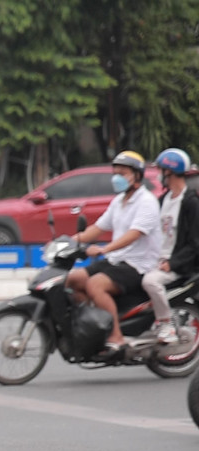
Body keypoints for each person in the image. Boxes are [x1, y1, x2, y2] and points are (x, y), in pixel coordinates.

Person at [67, 150, 162, 351]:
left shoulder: (146, 202)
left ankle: (116, 336)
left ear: (137, 175)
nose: (117, 178)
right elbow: (97, 228)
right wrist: (67, 243)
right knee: (72, 279)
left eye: (122, 173)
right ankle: (95, 325)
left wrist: (104, 249)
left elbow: (135, 234)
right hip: (116, 260)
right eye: (115, 173)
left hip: (138, 265)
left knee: (95, 285)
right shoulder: (118, 201)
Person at [141, 148, 199, 344]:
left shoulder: (191, 203)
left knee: (150, 282)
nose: (158, 175)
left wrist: (172, 263)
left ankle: (166, 325)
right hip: (155, 260)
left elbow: (195, 243)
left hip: (177, 266)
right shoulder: (162, 200)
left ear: (170, 172)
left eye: (161, 170)